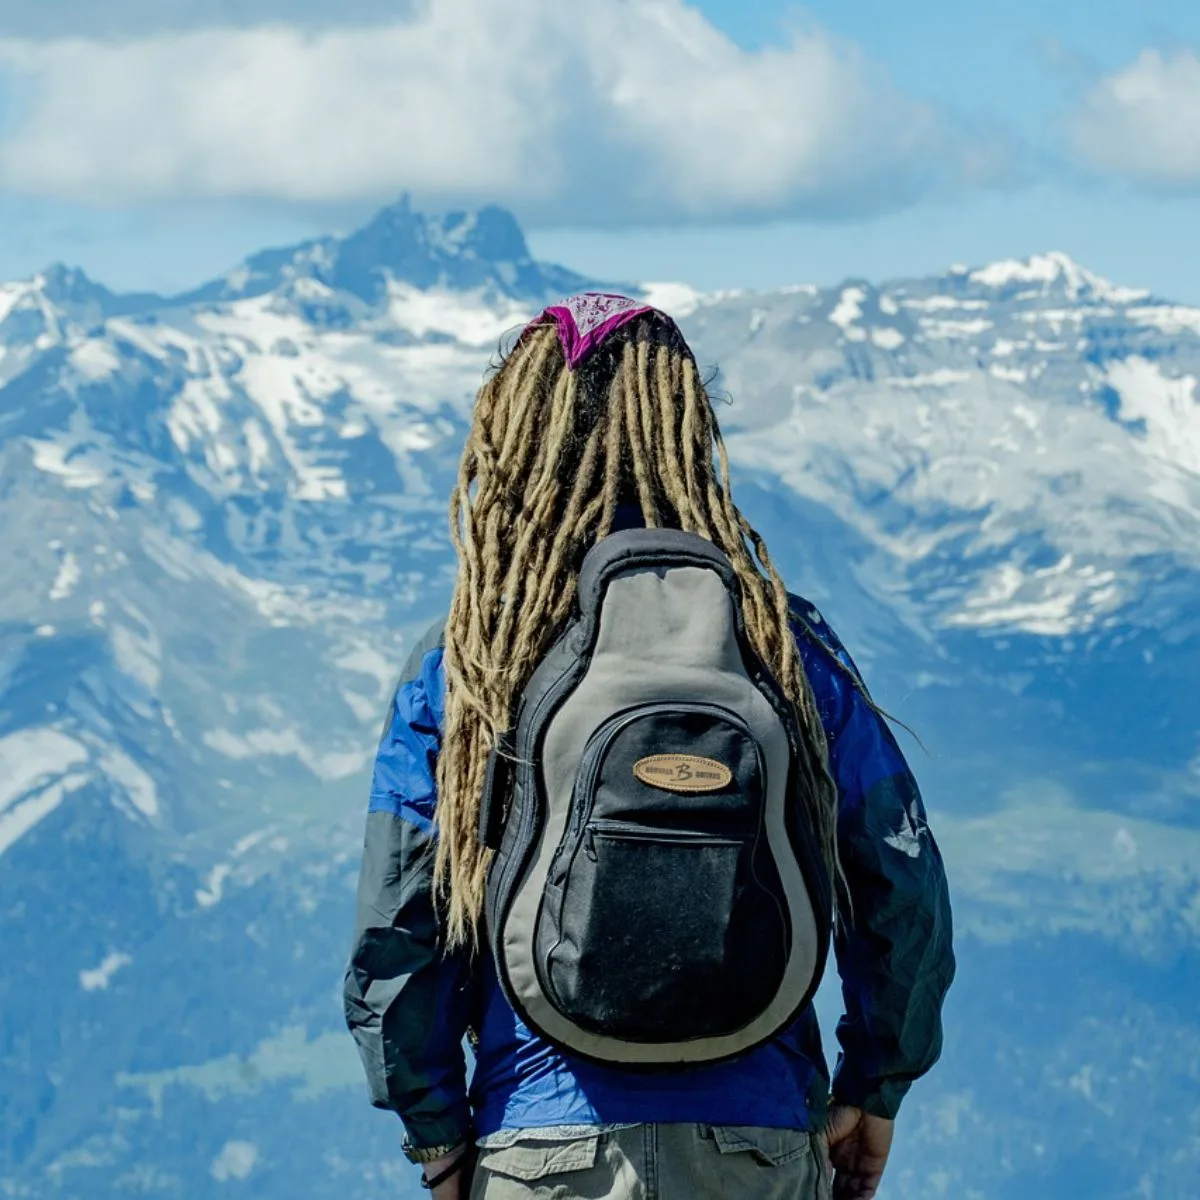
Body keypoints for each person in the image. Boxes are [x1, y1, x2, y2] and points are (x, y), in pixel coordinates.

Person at [344, 294, 955, 1200]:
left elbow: (400, 921)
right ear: (689, 428)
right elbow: (899, 880)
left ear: (515, 444)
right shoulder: (785, 650)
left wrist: (436, 1133)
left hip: (540, 1144)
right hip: (757, 1136)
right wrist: (876, 1083)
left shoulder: (469, 662)